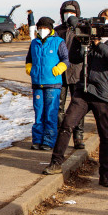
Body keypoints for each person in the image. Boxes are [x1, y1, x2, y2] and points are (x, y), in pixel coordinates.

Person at [44, 8, 108, 187]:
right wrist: (80, 42)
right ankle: (56, 163)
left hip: (105, 94)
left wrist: (98, 43)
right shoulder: (90, 36)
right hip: (84, 89)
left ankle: (105, 174)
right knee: (67, 124)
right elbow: (74, 58)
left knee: (105, 135)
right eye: (102, 18)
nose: (104, 21)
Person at [25, 16, 68, 150]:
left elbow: (66, 59)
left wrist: (59, 68)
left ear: (50, 29)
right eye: (40, 28)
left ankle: (49, 141)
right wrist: (29, 68)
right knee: (39, 113)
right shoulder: (34, 43)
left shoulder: (58, 42)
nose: (42, 30)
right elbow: (29, 59)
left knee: (50, 113)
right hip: (37, 83)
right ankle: (37, 140)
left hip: (53, 84)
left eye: (45, 28)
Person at [54, 0, 86, 150]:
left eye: (72, 12)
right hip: (60, 73)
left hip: (77, 72)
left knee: (78, 106)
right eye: (66, 12)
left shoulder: (82, 29)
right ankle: (62, 134)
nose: (68, 15)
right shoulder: (57, 30)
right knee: (58, 106)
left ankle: (78, 136)